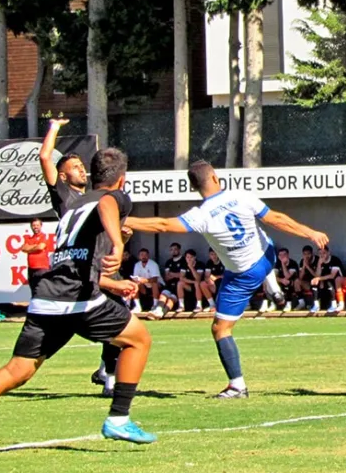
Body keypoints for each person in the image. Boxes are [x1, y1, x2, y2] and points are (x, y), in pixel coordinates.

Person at [0, 148, 156, 457]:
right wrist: (118, 242)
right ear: (121, 179)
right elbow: (107, 204)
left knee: (17, 370)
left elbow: (77, 259)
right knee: (139, 340)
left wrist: (114, 263)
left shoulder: (74, 206)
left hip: (48, 296)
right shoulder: (112, 197)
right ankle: (118, 417)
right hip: (77, 300)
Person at [125, 160, 329, 398]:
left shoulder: (200, 215)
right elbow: (276, 219)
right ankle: (270, 280)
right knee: (262, 238)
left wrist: (123, 220)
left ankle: (237, 386)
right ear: (214, 178)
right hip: (266, 254)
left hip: (244, 274)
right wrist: (311, 232)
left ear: (194, 187)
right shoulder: (241, 195)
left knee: (220, 329)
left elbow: (161, 225)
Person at [39, 118, 127, 392]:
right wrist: (54, 127)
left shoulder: (94, 197)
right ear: (62, 176)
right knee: (119, 320)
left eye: (81, 166)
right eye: (74, 167)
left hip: (101, 261)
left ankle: (106, 371)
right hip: (80, 266)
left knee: (119, 317)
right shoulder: (64, 194)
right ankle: (110, 379)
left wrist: (121, 237)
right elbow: (44, 157)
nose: (81, 170)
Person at [311, 246, 344, 313]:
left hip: (338, 281)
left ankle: (334, 304)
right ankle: (316, 305)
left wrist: (319, 278)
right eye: (320, 253)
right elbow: (317, 275)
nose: (322, 255)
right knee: (314, 282)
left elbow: (332, 276)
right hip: (324, 281)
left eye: (324, 253)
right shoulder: (319, 261)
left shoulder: (335, 260)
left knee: (328, 282)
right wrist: (319, 264)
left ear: (328, 252)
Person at [19, 218, 50, 285]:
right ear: (31, 227)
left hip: (42, 268)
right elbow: (23, 248)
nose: (35, 227)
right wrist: (35, 246)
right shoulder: (29, 238)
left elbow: (40, 247)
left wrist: (30, 249)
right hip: (31, 268)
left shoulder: (44, 236)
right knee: (33, 289)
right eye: (33, 225)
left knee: (42, 289)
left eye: (37, 225)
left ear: (41, 226)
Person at [295, 245, 319, 311]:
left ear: (312, 253)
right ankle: (301, 303)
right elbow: (300, 277)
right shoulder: (302, 261)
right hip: (307, 283)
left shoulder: (317, 260)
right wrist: (304, 266)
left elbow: (316, 275)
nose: (307, 256)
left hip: (317, 283)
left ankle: (315, 304)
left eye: (308, 254)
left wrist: (308, 266)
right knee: (297, 281)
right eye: (305, 254)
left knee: (314, 281)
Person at [200, 249, 225, 313]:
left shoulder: (223, 261)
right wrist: (209, 279)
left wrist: (216, 277)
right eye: (212, 254)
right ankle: (212, 304)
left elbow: (226, 275)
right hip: (213, 284)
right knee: (202, 284)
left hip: (223, 284)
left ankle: (219, 306)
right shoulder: (209, 262)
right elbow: (207, 276)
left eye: (215, 254)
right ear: (209, 255)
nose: (214, 256)